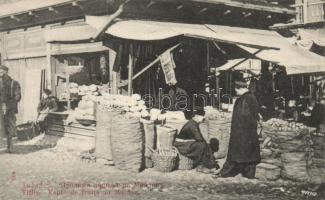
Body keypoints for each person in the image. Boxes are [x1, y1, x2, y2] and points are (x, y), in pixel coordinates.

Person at [216, 79, 261, 179]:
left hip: (241, 131)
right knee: (249, 154)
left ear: (240, 88)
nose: (236, 92)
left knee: (235, 153)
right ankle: (249, 174)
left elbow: (243, 115)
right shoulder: (252, 97)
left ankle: (224, 173)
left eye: (236, 89)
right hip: (250, 131)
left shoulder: (244, 99)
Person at [174, 109, 219, 173]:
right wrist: (206, 143)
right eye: (201, 117)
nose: (202, 119)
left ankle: (208, 164)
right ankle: (202, 166)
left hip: (185, 143)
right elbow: (199, 137)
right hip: (182, 145)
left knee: (204, 145)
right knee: (202, 146)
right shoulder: (192, 124)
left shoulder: (192, 123)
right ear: (197, 116)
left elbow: (198, 137)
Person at [0, 65, 21, 153]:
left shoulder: (14, 83)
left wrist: (8, 105)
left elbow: (18, 96)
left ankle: (10, 146)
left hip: (9, 109)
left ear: (6, 72)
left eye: (1, 71)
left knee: (10, 128)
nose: (0, 73)